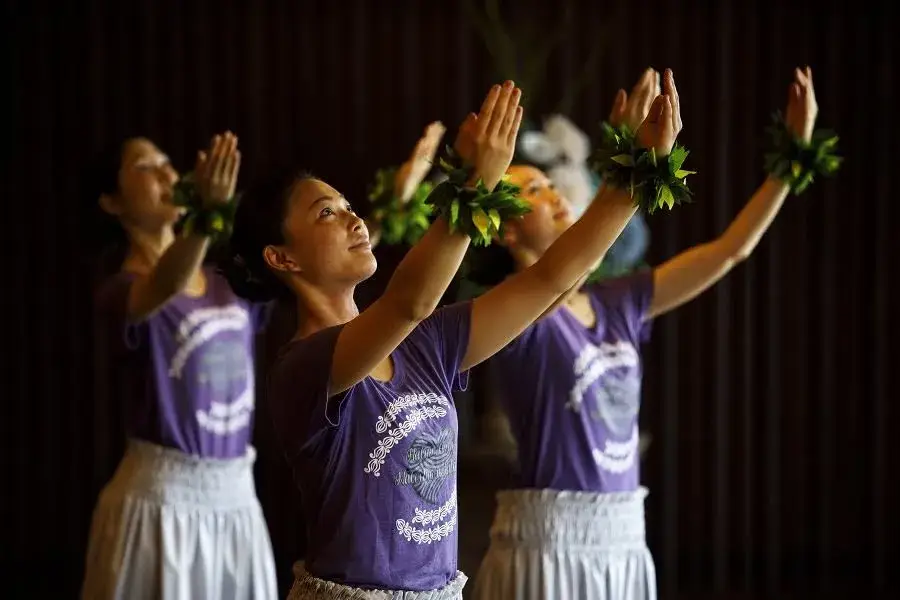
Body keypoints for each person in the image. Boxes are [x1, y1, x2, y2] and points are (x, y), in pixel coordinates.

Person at [226, 72, 683, 599]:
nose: (352, 219)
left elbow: (551, 278)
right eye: (325, 213)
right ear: (281, 257)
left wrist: (638, 170)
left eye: (349, 206)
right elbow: (410, 302)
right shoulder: (302, 369)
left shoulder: (427, 346)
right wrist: (475, 183)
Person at [471, 67, 823, 600]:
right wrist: (632, 167)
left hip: (625, 535)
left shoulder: (618, 302)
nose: (556, 193)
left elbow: (730, 250)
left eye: (550, 181)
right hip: (547, 544)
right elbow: (555, 278)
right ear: (507, 227)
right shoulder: (515, 314)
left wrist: (791, 159)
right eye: (535, 189)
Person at [82, 133, 278, 600]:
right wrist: (208, 216)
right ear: (111, 202)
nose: (168, 174)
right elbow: (163, 283)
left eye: (168, 162)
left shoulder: (225, 281)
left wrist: (395, 204)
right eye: (146, 166)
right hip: (159, 507)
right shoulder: (121, 290)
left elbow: (310, 268)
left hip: (237, 501)